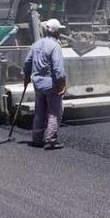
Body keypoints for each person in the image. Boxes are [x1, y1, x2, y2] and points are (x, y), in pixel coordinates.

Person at [23, 19, 67, 150]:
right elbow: (58, 68)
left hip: (38, 84)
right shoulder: (55, 46)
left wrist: (26, 77)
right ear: (56, 32)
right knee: (54, 112)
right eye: (60, 30)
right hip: (51, 84)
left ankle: (37, 138)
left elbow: (27, 62)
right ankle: (50, 139)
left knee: (39, 111)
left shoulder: (36, 44)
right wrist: (62, 83)